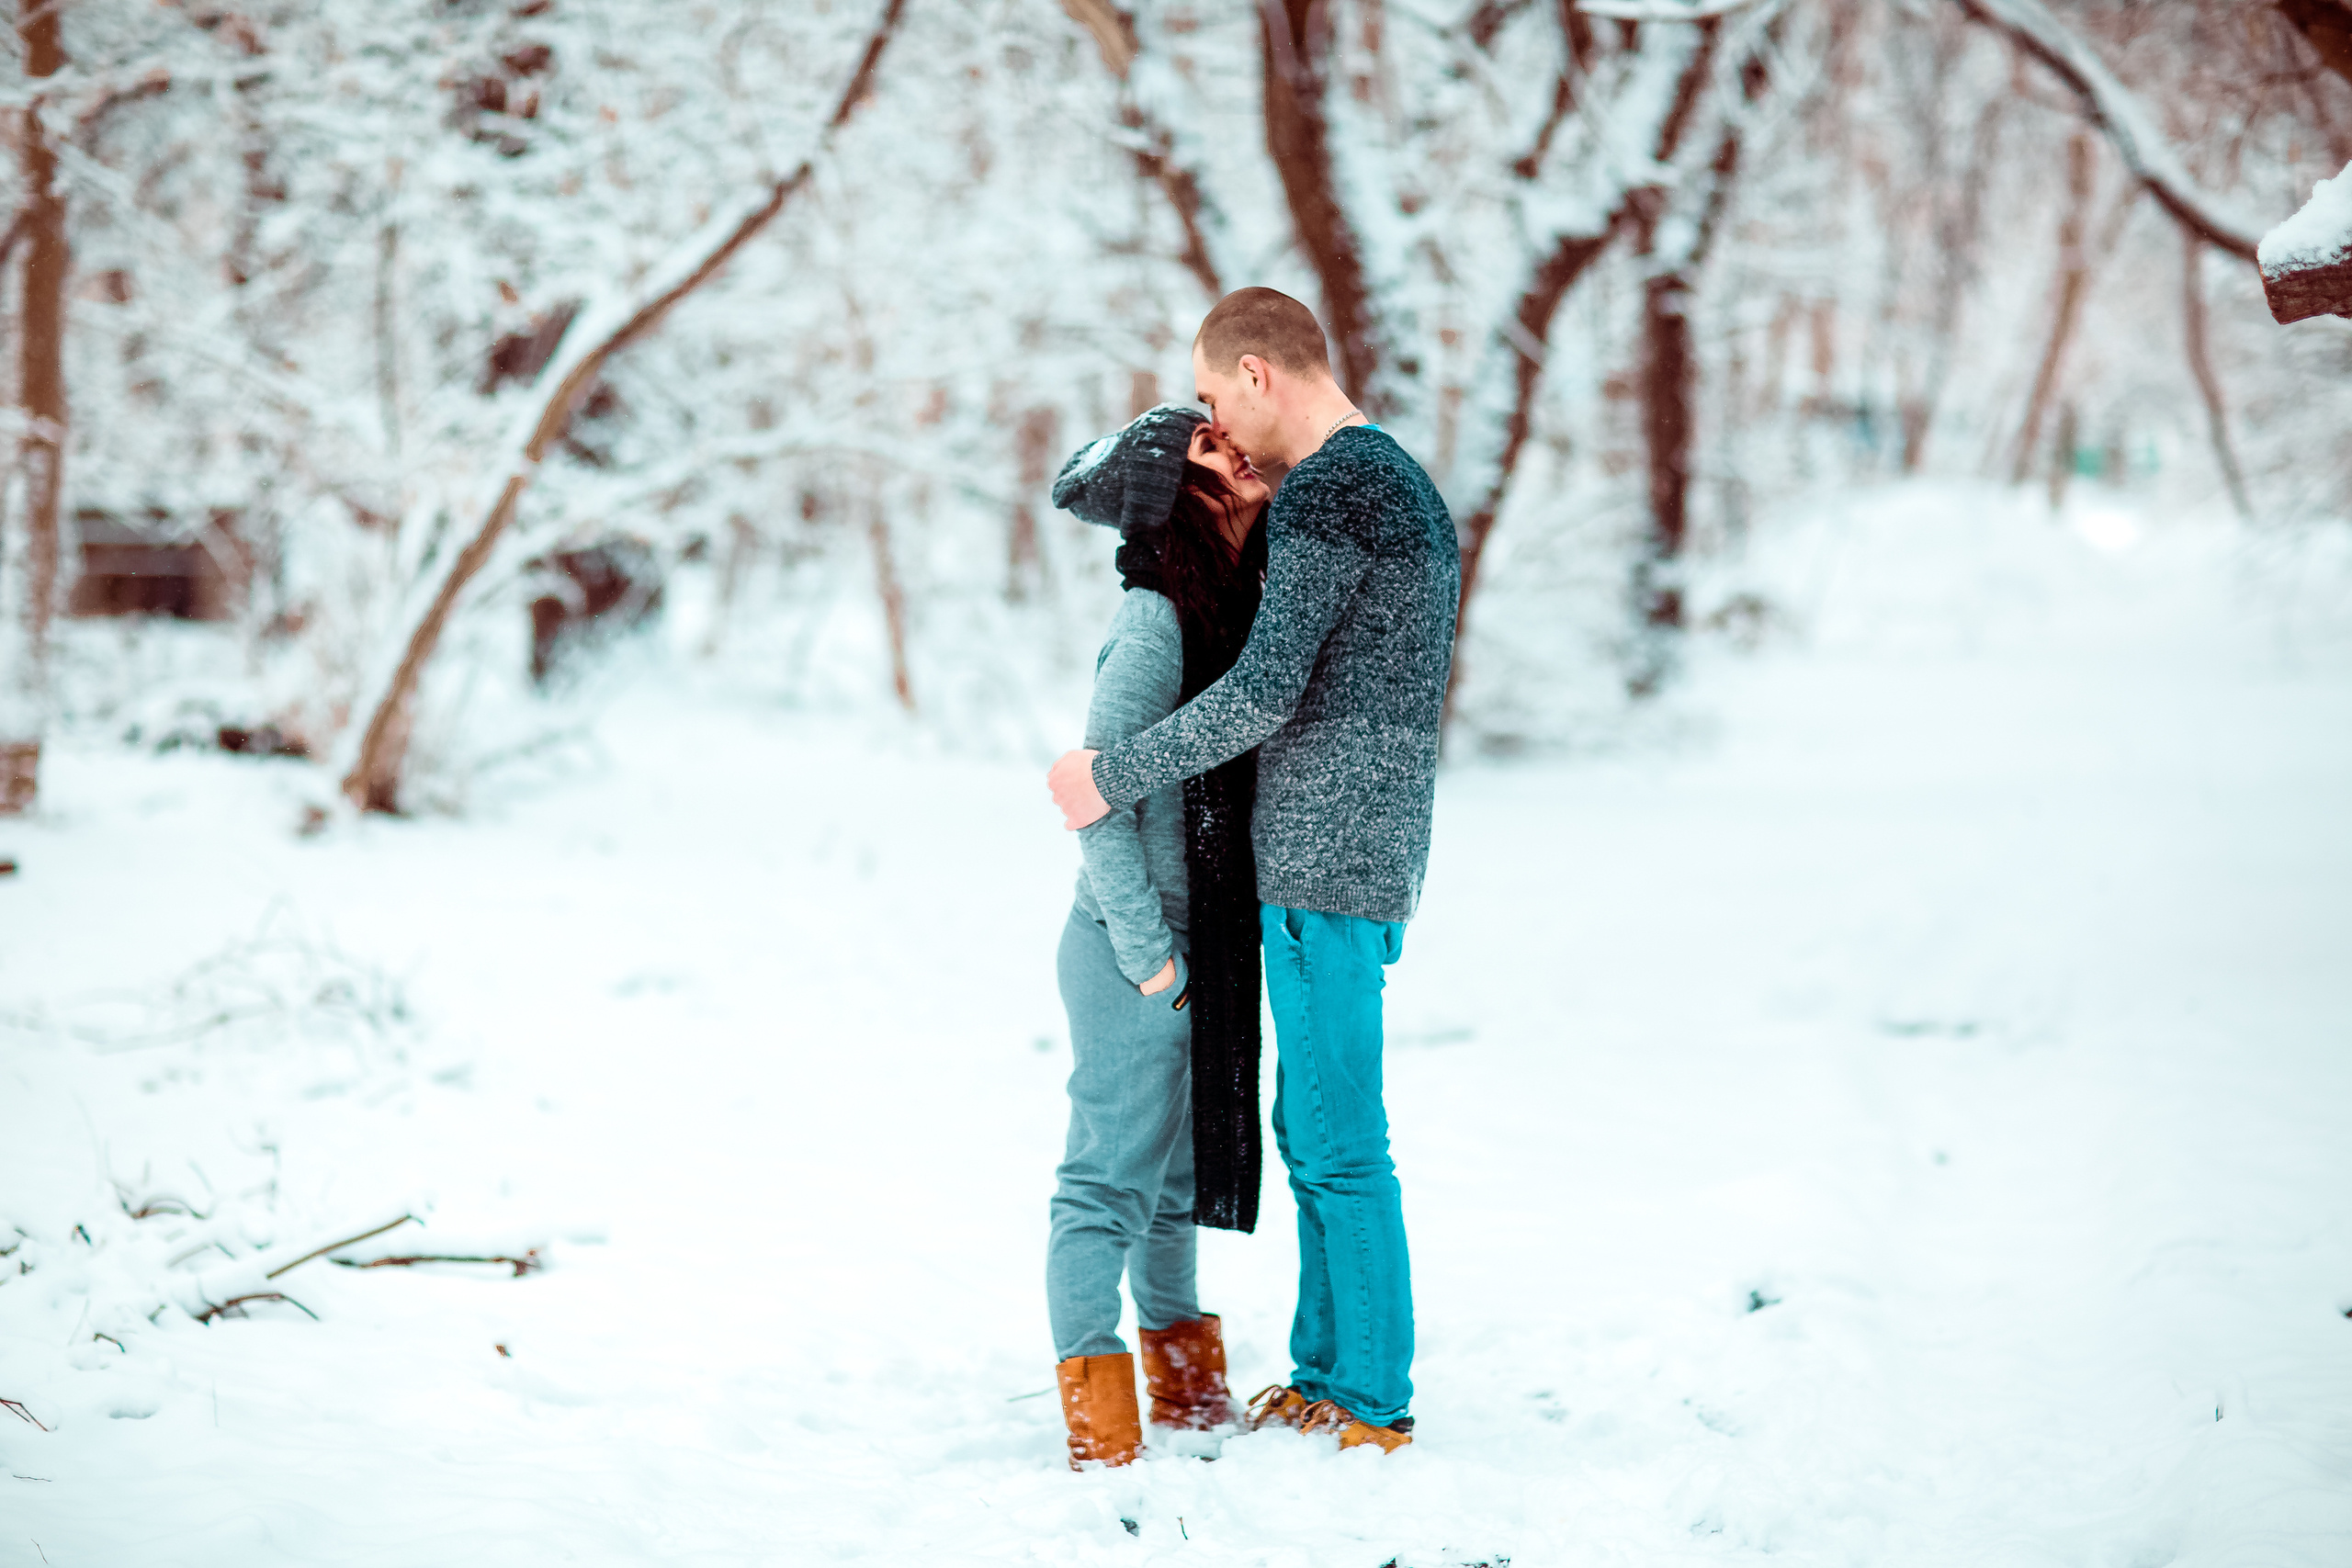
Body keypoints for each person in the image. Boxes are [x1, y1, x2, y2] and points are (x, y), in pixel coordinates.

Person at [1046, 288, 1458, 1455]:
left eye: (1219, 396)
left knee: (1336, 1143)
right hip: (1358, 859)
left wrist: (1111, 773)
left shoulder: (1334, 486)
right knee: (1315, 1131)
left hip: (1325, 867)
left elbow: (1269, 691)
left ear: (1259, 373)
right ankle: (1330, 1374)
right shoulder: (1399, 484)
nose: (1219, 423)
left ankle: (1367, 1397)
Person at [1045, 402, 1273, 1470]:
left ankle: (1185, 1387)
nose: (1233, 452)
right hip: (1135, 950)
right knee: (1107, 1184)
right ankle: (1100, 1425)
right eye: (1206, 449)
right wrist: (1151, 963)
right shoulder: (1153, 623)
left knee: (1174, 1183)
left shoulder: (1222, 611)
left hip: (1195, 949)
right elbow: (1094, 797)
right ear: (1176, 495)